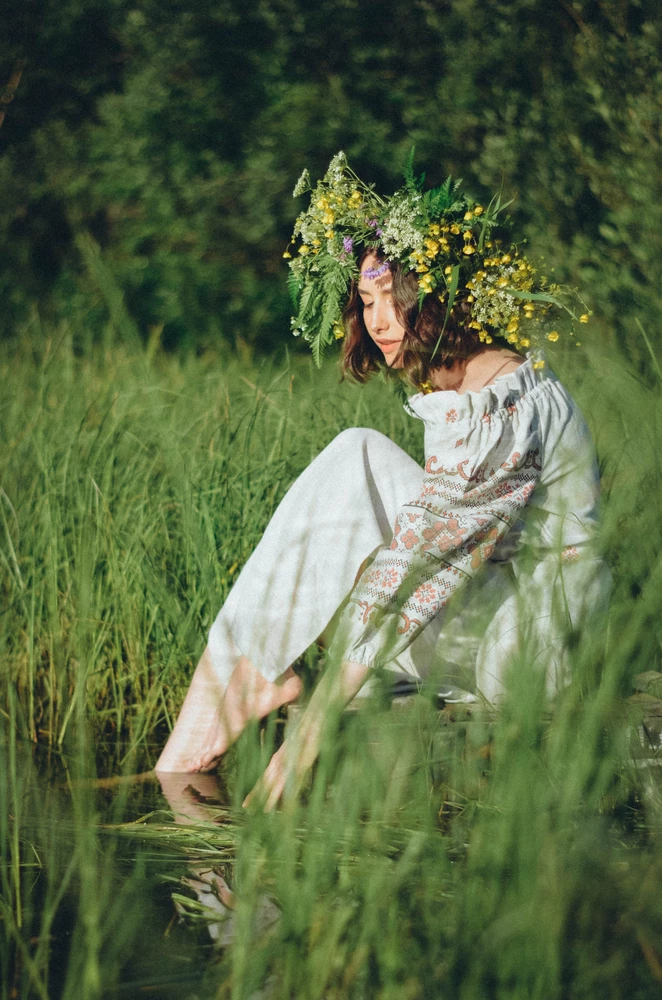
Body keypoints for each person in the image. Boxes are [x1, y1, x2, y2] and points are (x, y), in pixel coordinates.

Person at [155, 154, 610, 808]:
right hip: (491, 595)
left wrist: (309, 735)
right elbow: (429, 546)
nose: (378, 319)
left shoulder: (504, 405)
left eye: (393, 297)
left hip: (539, 630)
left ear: (436, 297)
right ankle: (239, 672)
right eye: (365, 301)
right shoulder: (465, 386)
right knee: (357, 452)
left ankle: (251, 698)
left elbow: (422, 563)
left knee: (414, 600)